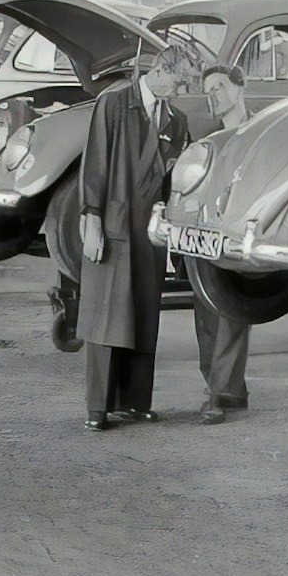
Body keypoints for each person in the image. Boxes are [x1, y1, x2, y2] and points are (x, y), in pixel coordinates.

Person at [77, 40, 201, 430]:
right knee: (106, 316)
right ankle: (98, 407)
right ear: (161, 72)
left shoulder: (175, 122)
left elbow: (176, 180)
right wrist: (91, 219)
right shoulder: (113, 105)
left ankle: (135, 401)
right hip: (113, 222)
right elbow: (95, 163)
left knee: (145, 313)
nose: (181, 94)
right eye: (179, 84)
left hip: (148, 230)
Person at [194, 64, 252, 424]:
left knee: (233, 310)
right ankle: (231, 388)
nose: (212, 95)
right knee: (206, 315)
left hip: (243, 232)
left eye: (218, 87)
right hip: (205, 232)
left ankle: (220, 391)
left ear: (239, 86)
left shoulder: (265, 130)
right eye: (207, 91)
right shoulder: (206, 139)